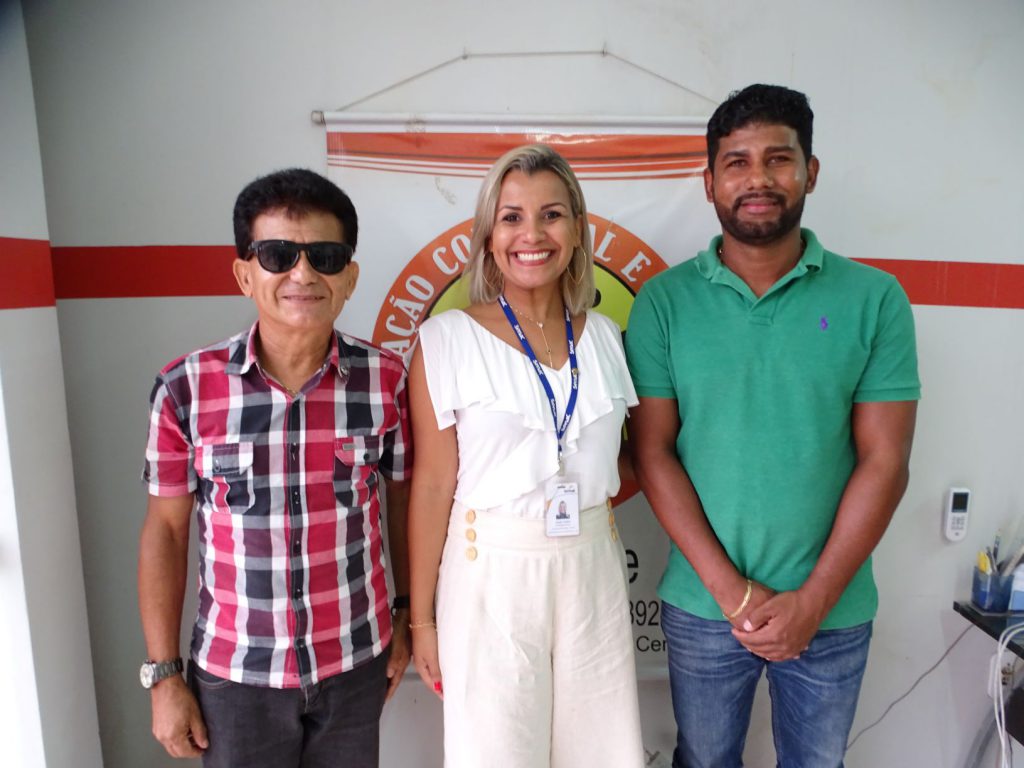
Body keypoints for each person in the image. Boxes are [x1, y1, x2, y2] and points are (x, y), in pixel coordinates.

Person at [626, 84, 920, 768]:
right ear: (709, 183)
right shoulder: (664, 303)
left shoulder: (874, 299)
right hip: (704, 605)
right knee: (703, 761)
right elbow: (653, 453)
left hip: (832, 610)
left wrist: (812, 602)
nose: (757, 179)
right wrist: (735, 595)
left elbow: (885, 461)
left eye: (778, 159)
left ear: (810, 172)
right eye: (736, 162)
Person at [138, 168, 412, 767]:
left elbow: (403, 504)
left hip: (356, 664)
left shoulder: (387, 381)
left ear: (350, 277)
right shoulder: (185, 389)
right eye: (278, 255)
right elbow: (167, 531)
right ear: (245, 274)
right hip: (234, 678)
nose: (303, 274)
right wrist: (164, 675)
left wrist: (408, 612)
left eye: (325, 257)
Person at [408, 144, 644, 768]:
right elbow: (431, 486)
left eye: (552, 215)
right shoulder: (445, 340)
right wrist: (422, 620)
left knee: (602, 753)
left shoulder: (607, 338)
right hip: (489, 571)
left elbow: (632, 458)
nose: (532, 235)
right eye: (511, 217)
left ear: (577, 230)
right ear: (489, 237)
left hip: (593, 566)